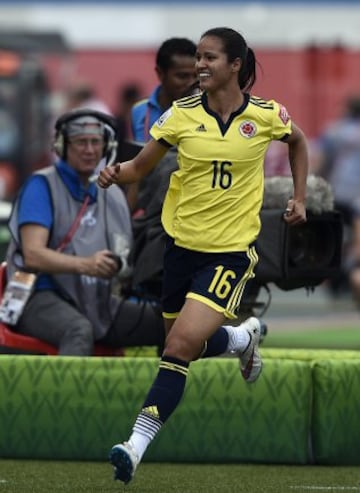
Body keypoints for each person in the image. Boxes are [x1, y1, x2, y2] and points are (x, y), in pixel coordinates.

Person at [98, 27, 309, 484]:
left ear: (235, 65)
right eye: (198, 57)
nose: (200, 65)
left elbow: (298, 142)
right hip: (180, 249)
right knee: (183, 346)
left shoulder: (266, 115)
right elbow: (141, 166)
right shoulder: (180, 114)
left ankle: (133, 447)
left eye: (210, 57)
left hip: (230, 253)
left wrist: (300, 197)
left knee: (175, 348)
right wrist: (117, 172)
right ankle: (241, 340)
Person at [4, 108, 164, 355]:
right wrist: (88, 265)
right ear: (60, 145)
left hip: (96, 298)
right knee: (78, 329)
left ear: (106, 146)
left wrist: (117, 266)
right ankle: (66, 395)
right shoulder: (41, 185)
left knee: (169, 323)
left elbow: (124, 253)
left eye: (95, 142)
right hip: (38, 295)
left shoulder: (111, 192)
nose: (89, 150)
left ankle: (166, 391)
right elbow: (33, 255)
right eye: (81, 142)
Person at [128, 37, 197, 214]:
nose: (191, 83)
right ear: (160, 74)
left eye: (195, 76)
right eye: (182, 76)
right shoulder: (139, 112)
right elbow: (136, 165)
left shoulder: (205, 113)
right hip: (150, 207)